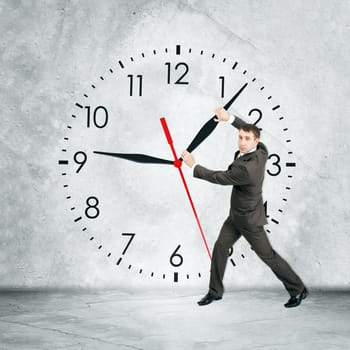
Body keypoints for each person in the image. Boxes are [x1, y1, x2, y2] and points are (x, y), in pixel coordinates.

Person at [181, 107, 308, 308]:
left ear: (254, 141)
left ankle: (299, 289)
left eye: (246, 139)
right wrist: (229, 118)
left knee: (268, 256)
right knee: (221, 246)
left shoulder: (247, 169)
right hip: (236, 216)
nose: (241, 141)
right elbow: (248, 129)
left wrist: (194, 166)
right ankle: (215, 292)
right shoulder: (262, 150)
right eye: (240, 137)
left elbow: (219, 177)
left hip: (249, 220)